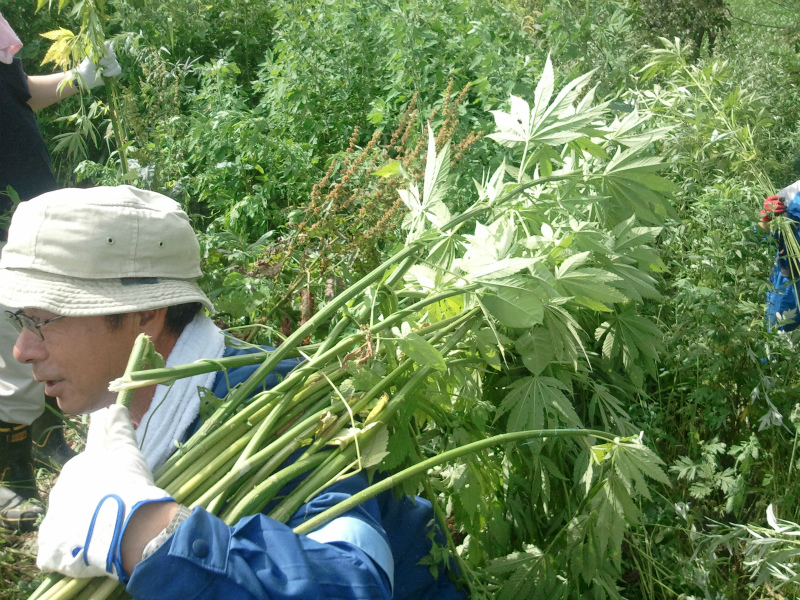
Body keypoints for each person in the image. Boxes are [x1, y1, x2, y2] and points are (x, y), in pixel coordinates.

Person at [0, 185, 466, 600]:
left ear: (145, 314)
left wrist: (144, 533)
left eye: (43, 320)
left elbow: (354, 582)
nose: (22, 349)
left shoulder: (283, 408)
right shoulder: (127, 405)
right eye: (20, 320)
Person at [0, 12, 122, 530]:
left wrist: (82, 76)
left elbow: (18, 93)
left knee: (45, 324)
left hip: (32, 210)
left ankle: (50, 436)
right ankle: (13, 477)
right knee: (11, 346)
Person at [759, 192, 800, 332]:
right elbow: (759, 239)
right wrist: (766, 218)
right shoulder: (789, 195)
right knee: (779, 341)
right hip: (789, 287)